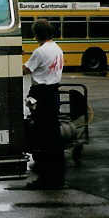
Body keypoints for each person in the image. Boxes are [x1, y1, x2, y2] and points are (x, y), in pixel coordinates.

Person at [22, 18, 66, 189]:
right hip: (53, 93)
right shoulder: (57, 48)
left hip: (42, 95)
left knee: (42, 136)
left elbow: (25, 70)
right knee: (53, 136)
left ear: (37, 34)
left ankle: (45, 179)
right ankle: (57, 175)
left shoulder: (40, 52)